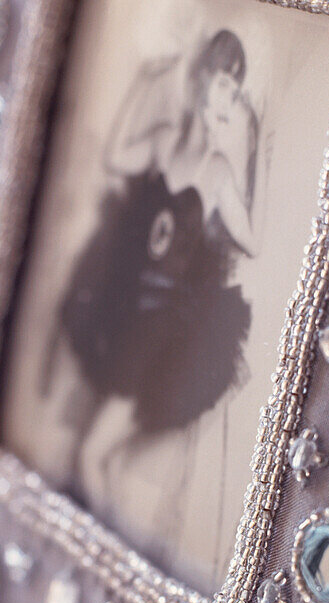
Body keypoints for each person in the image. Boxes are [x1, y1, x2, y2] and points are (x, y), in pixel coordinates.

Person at [44, 29, 269, 555]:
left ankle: (112, 564)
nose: (224, 95)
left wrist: (238, 150)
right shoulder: (169, 139)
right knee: (87, 450)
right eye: (219, 81)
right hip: (122, 313)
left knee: (94, 454)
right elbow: (118, 157)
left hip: (160, 334)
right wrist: (147, 80)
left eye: (234, 87)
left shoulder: (217, 170)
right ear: (200, 81)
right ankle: (109, 555)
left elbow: (252, 242)